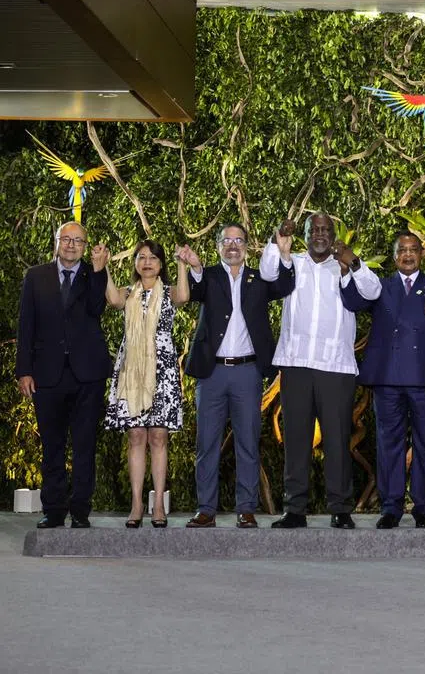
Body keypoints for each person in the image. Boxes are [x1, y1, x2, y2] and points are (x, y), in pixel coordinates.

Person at [260, 213, 382, 529]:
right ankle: (294, 509)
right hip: (297, 364)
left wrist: (353, 262)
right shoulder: (293, 262)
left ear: (333, 235)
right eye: (314, 229)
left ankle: (340, 509)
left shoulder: (343, 266)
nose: (320, 234)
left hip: (336, 367)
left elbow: (373, 292)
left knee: (337, 441)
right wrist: (277, 240)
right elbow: (267, 273)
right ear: (304, 234)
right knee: (296, 439)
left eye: (326, 229)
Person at [344, 231, 425, 529]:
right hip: (387, 378)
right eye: (402, 250)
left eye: (413, 249)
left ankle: (424, 508)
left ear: (422, 254)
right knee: (389, 444)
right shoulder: (379, 286)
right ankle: (391, 507)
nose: (408, 255)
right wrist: (346, 270)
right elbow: (353, 301)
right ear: (394, 255)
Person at [181, 224, 295, 529]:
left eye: (239, 241)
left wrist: (284, 254)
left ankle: (246, 508)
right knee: (207, 443)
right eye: (227, 241)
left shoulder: (259, 279)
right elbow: (193, 291)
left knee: (248, 442)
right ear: (218, 245)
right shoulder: (207, 276)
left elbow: (284, 286)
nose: (233, 246)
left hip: (248, 372)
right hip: (211, 373)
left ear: (247, 245)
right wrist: (195, 267)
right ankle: (206, 509)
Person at [17, 222, 112, 529]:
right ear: (57, 241)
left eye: (78, 241)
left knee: (85, 445)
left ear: (85, 246)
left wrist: (99, 272)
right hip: (46, 374)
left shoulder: (92, 274)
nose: (71, 245)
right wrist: (24, 370)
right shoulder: (36, 276)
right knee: (52, 446)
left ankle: (81, 510)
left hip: (88, 375)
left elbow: (97, 308)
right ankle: (54, 510)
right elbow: (26, 325)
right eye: (66, 239)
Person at [97, 240, 191, 528]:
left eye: (153, 258)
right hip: (132, 370)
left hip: (162, 369)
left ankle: (158, 505)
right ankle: (136, 504)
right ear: (135, 263)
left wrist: (182, 263)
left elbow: (184, 296)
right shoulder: (128, 293)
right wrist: (104, 267)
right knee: (136, 436)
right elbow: (113, 300)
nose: (147, 262)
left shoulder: (170, 292)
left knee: (159, 437)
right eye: (141, 257)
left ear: (161, 264)